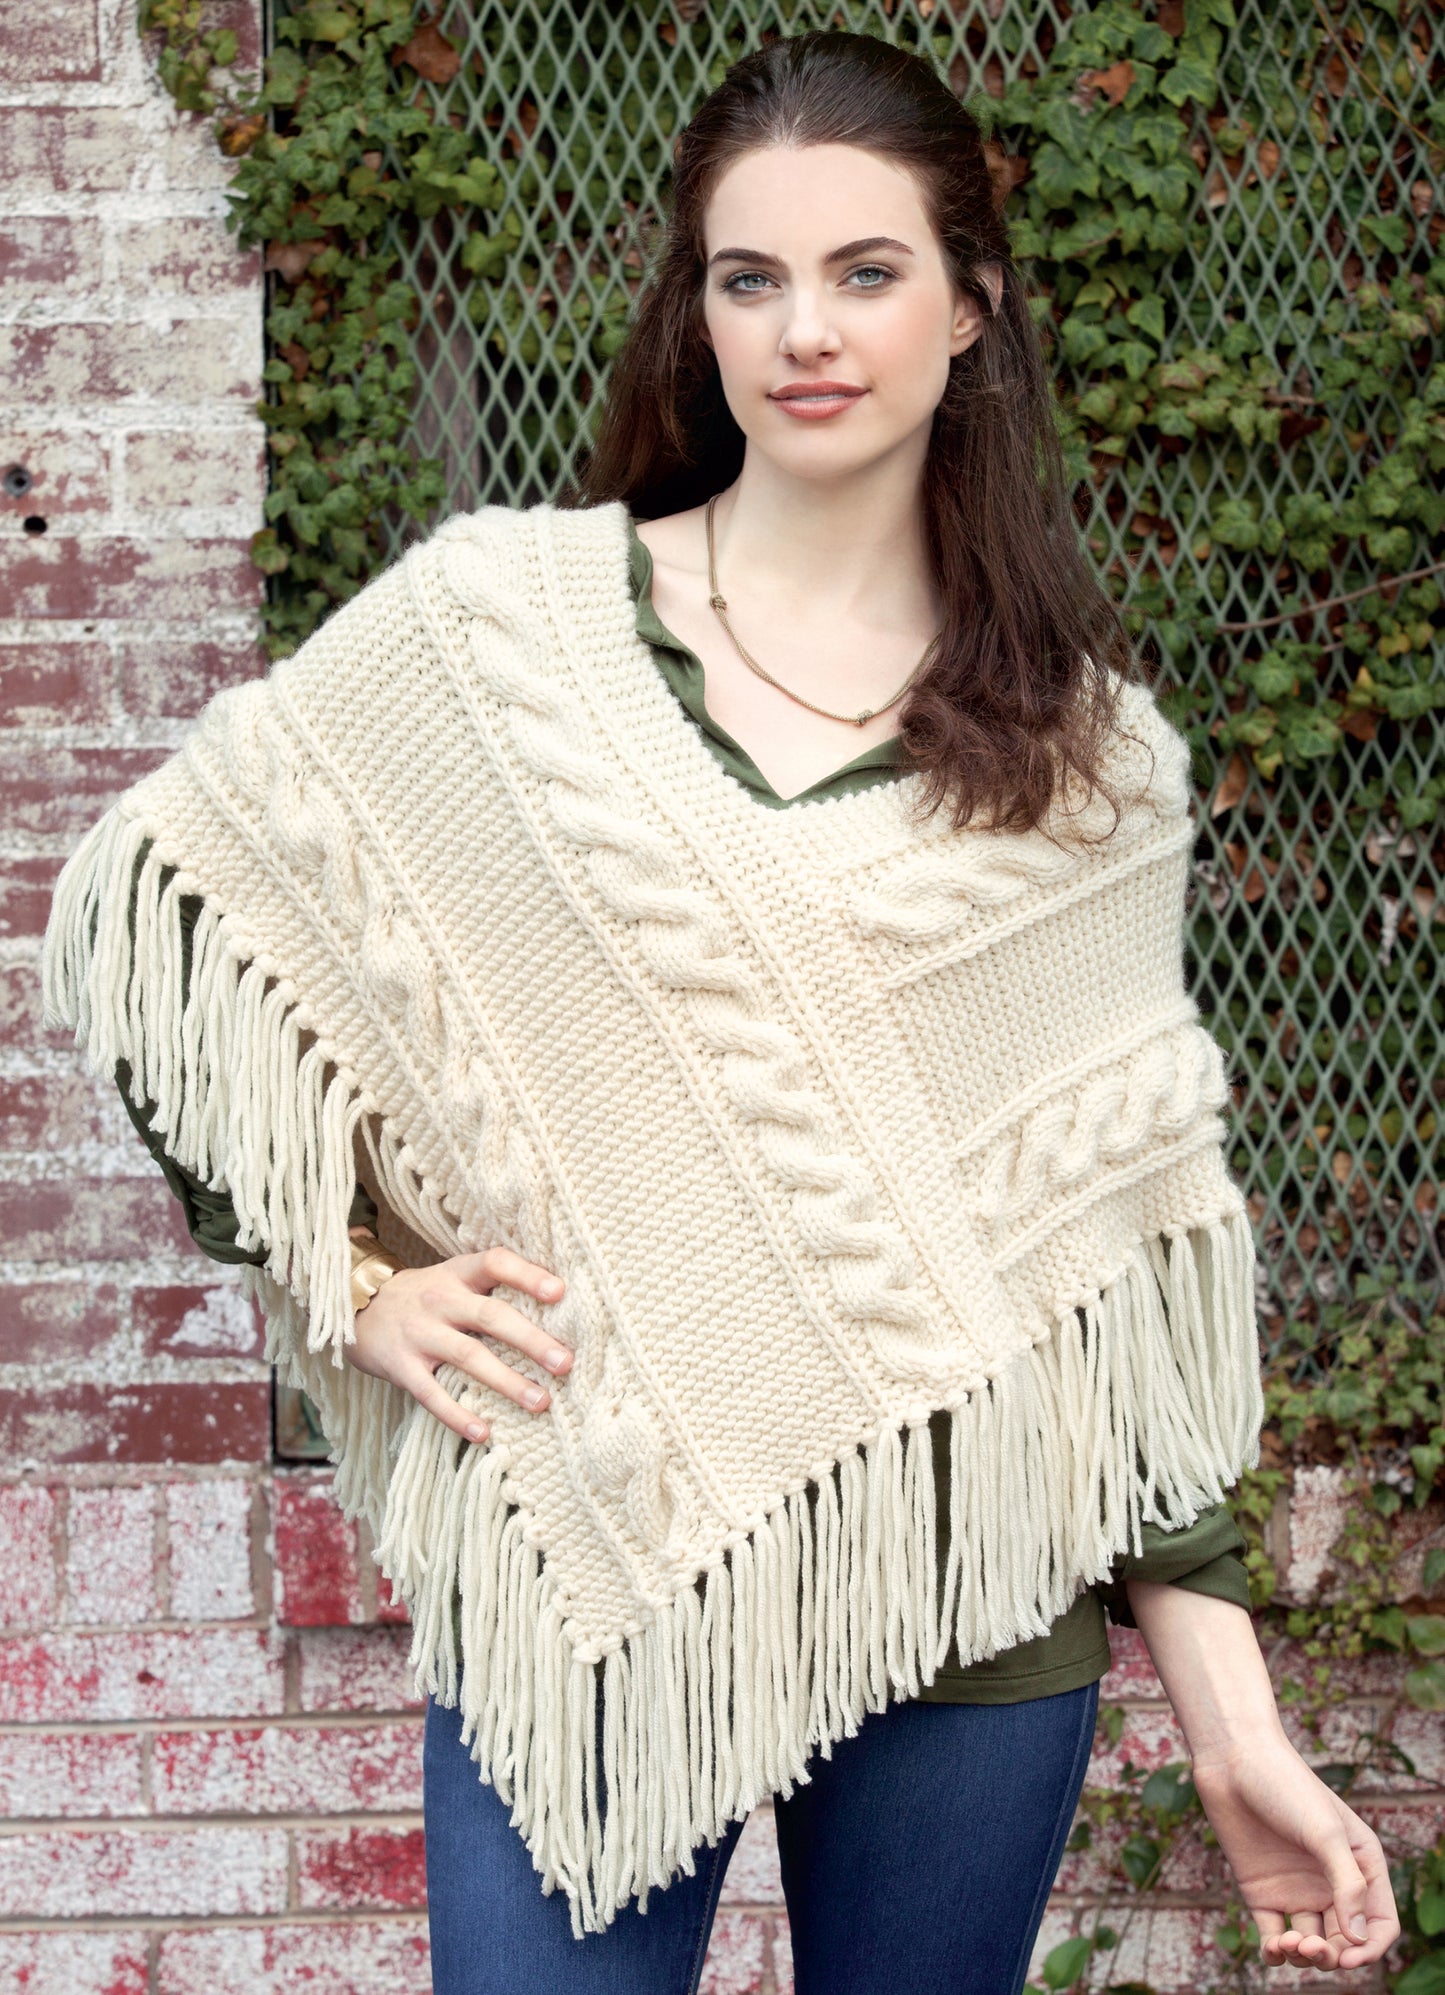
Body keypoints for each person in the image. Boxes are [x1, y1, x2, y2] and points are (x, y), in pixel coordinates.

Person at [43, 29, 1398, 1995]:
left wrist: (1238, 1724)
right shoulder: (501, 626)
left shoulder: (1094, 762)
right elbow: (171, 925)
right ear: (696, 312)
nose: (804, 329)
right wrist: (363, 1253)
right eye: (747, 277)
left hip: (967, 1608)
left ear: (970, 307)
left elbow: (1123, 1286)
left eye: (866, 271)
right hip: (594, 1574)